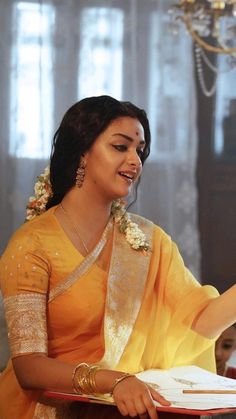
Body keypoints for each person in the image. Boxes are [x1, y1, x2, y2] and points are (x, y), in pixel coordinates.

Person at [0, 95, 236, 419]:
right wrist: (113, 381)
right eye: (120, 147)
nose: (135, 160)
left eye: (139, 150)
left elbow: (202, 321)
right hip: (52, 408)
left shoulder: (149, 242)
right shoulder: (32, 245)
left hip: (124, 406)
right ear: (82, 152)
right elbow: (29, 367)